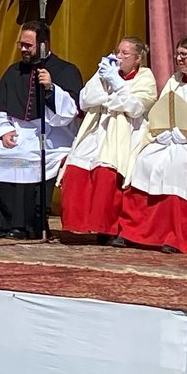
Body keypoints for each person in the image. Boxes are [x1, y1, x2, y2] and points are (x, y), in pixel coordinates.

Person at [113, 35, 187, 253]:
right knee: (143, 161)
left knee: (178, 166)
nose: (179, 59)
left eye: (184, 55)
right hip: (167, 138)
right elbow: (160, 112)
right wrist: (161, 133)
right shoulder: (173, 82)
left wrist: (186, 136)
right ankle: (134, 231)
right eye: (177, 54)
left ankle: (177, 235)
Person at [0, 23, 83, 239]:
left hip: (52, 135)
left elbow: (69, 112)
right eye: (21, 44)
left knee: (27, 157)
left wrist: (51, 89)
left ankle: (25, 226)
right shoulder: (14, 71)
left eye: (28, 45)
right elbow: (0, 109)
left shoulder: (66, 70)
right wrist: (3, 131)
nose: (23, 49)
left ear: (43, 45)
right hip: (16, 131)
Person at [57, 37, 155, 241]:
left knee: (106, 173)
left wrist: (115, 85)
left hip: (124, 132)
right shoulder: (107, 72)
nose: (119, 57)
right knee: (76, 169)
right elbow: (84, 100)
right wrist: (106, 82)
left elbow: (135, 108)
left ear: (137, 58)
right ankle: (80, 224)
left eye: (125, 54)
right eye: (117, 52)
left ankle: (107, 228)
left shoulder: (145, 77)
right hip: (96, 128)